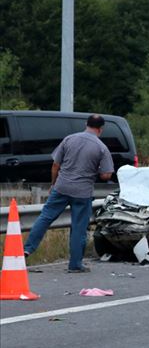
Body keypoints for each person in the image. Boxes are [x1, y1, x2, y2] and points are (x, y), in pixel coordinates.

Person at [24, 114, 114, 273]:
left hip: (61, 187)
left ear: (86, 124)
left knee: (45, 217)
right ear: (101, 129)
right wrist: (96, 169)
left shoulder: (69, 139)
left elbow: (55, 165)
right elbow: (106, 175)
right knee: (79, 227)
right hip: (82, 192)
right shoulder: (101, 148)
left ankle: (27, 249)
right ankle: (75, 264)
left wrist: (53, 184)